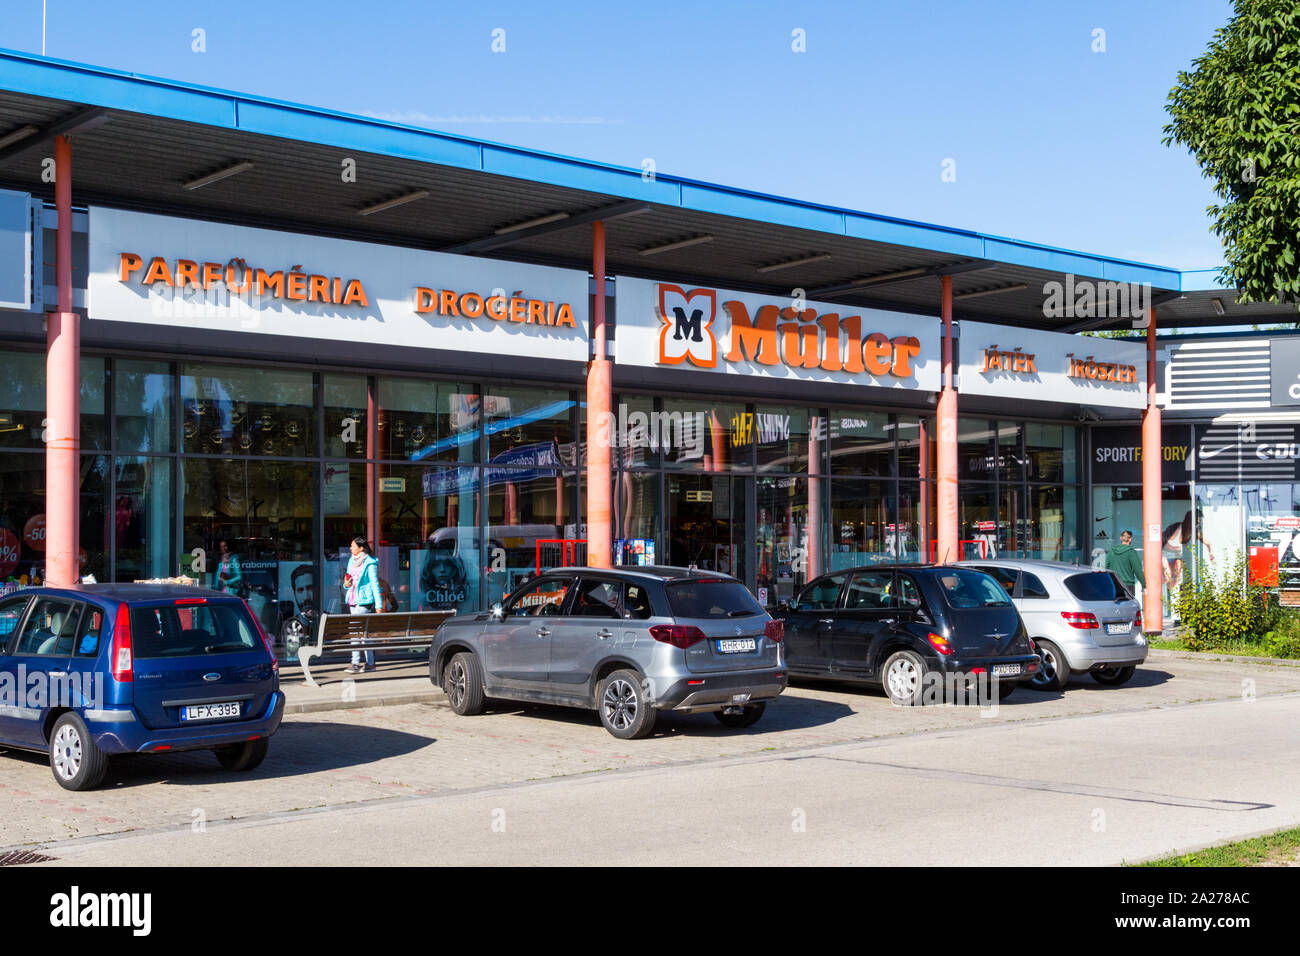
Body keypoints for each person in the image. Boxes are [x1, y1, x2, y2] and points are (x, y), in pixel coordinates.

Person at [343, 538, 382, 674]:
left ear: (361, 548)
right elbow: (347, 581)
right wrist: (346, 584)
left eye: (353, 546)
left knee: (355, 630)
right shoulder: (351, 561)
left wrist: (379, 605)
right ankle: (370, 663)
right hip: (352, 599)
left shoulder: (370, 563)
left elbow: (374, 584)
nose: (350, 548)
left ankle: (355, 663)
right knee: (364, 633)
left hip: (364, 600)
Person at [1106, 529, 1145, 601]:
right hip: (1128, 585)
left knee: (1115, 607)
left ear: (1121, 538)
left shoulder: (1112, 551)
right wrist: (1144, 585)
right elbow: (1138, 571)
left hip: (1114, 584)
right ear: (1130, 539)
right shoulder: (1131, 552)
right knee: (1128, 608)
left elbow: (1106, 567)